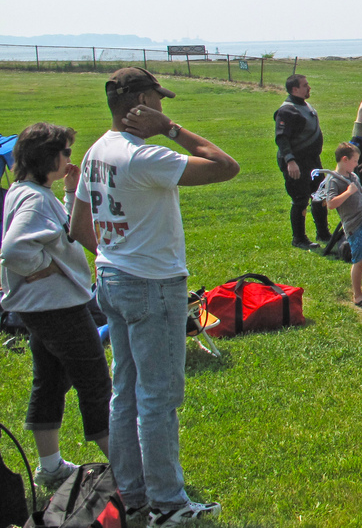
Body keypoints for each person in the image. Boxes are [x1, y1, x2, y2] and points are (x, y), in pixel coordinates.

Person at [71, 67, 239, 523]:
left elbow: (78, 225)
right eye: (159, 100)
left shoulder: (96, 151)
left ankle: (132, 492)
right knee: (158, 399)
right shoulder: (144, 156)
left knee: (124, 392)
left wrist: (115, 253)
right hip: (152, 286)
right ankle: (167, 503)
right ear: (142, 103)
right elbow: (227, 167)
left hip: (110, 279)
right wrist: (170, 129)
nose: (164, 107)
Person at [0, 123, 111, 490]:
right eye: (64, 152)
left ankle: (50, 467)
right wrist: (43, 266)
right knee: (95, 383)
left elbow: (59, 229)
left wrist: (69, 192)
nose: (69, 158)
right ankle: (129, 470)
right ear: (45, 157)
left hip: (39, 309)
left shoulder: (25, 191)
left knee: (49, 381)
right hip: (58, 308)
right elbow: (13, 249)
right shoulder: (34, 199)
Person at [315, 143, 362, 308]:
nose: (356, 164)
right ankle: (358, 296)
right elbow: (331, 204)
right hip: (355, 224)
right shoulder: (333, 180)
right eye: (355, 161)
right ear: (344, 159)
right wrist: (348, 192)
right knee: (360, 259)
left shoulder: (352, 176)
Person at [274, 73, 329, 250]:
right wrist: (290, 161)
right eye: (305, 85)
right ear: (295, 89)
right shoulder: (286, 111)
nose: (309, 87)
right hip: (296, 163)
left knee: (320, 195)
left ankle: (323, 233)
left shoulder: (304, 105)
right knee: (300, 199)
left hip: (312, 161)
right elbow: (282, 138)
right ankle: (299, 239)